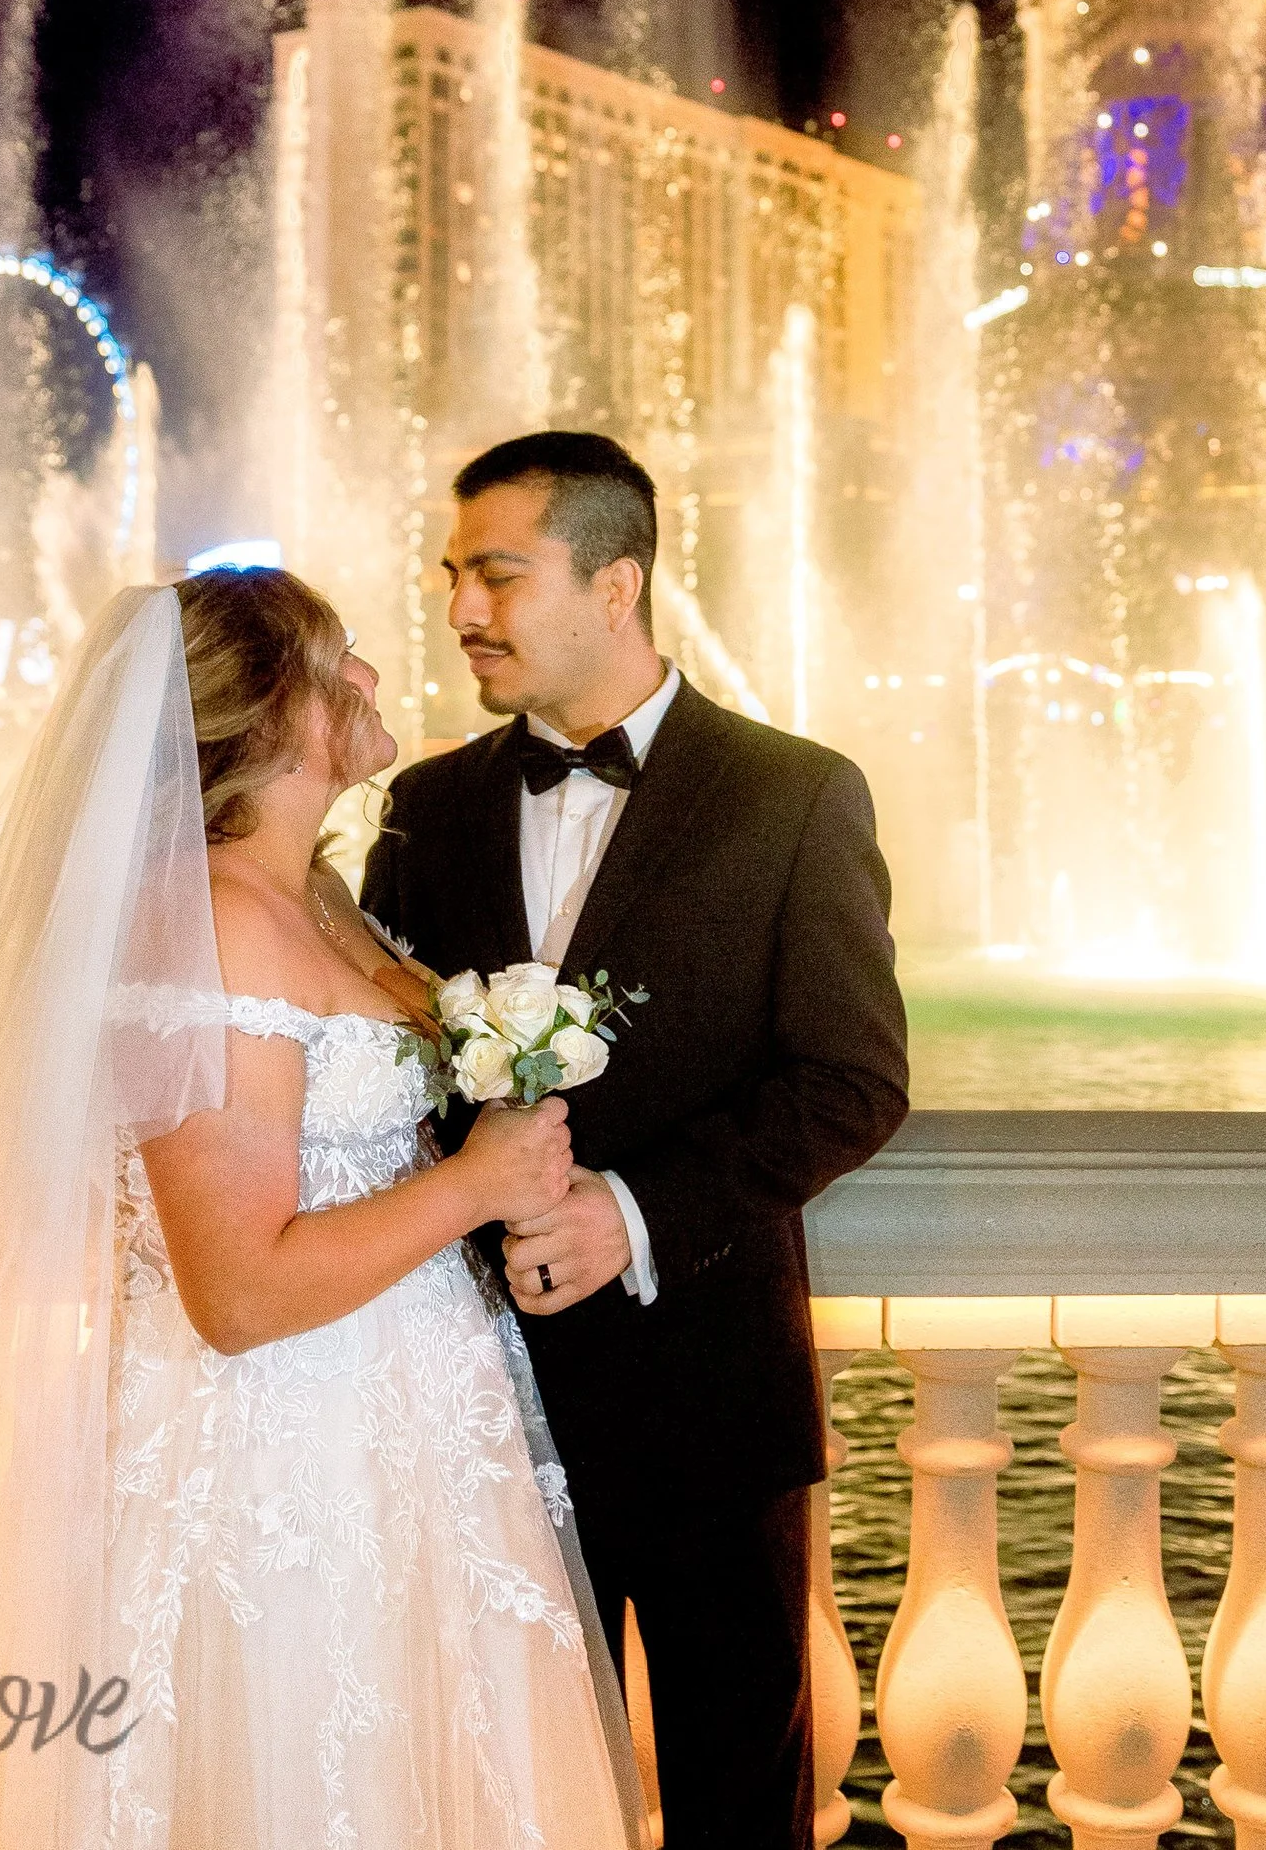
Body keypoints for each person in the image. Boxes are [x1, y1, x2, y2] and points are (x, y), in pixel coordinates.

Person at [0, 571, 645, 1849]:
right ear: (275, 708)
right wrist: (474, 1184)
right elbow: (236, 1292)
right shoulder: (210, 929)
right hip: (278, 1456)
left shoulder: (320, 897)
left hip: (404, 1431)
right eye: (341, 658)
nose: (375, 678)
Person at [362, 431, 911, 1850]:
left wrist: (634, 1210)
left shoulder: (797, 793)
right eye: (452, 574)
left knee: (743, 1797)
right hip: (474, 1396)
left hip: (710, 1401)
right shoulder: (427, 808)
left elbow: (852, 1078)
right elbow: (383, 1072)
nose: (461, 608)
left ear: (618, 584)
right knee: (503, 1799)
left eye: (497, 572)